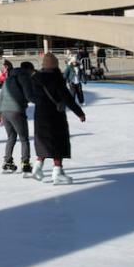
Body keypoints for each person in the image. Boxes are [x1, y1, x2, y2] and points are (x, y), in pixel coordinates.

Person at [29, 53, 85, 185]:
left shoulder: (36, 78)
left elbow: (32, 97)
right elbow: (67, 98)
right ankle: (58, 172)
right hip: (55, 116)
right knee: (57, 143)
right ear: (55, 65)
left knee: (44, 142)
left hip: (40, 116)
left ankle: (37, 168)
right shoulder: (56, 78)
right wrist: (79, 113)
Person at [0, 61, 35, 175]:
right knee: (24, 139)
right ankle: (26, 163)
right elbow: (29, 95)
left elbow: (1, 96)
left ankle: (7, 162)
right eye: (32, 71)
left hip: (5, 111)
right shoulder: (24, 77)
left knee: (11, 137)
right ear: (28, 70)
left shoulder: (9, 78)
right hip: (16, 110)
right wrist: (40, 100)